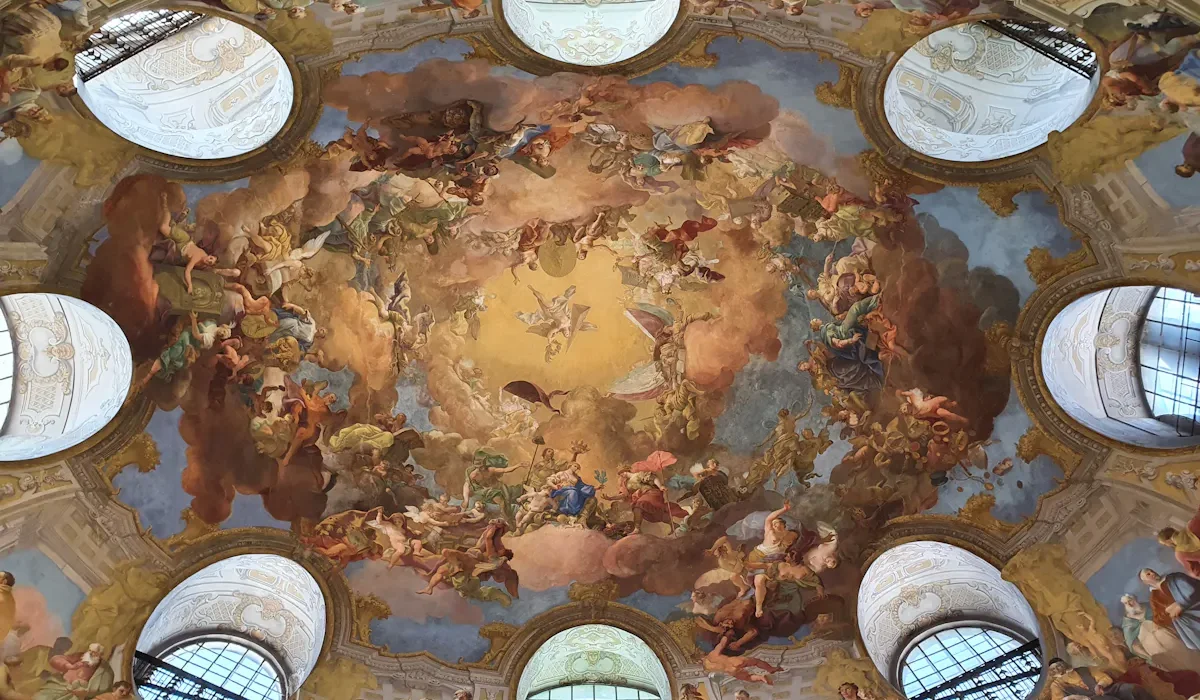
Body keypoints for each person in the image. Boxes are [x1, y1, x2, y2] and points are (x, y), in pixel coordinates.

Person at [1121, 594, 1200, 669]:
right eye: (1126, 603)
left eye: (1130, 601)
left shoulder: (1151, 606)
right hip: (1156, 651)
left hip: (1172, 641)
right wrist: (1148, 656)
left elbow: (1169, 617)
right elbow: (1132, 644)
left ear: (1135, 599)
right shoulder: (1128, 623)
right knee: (1176, 668)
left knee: (1188, 659)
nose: (1129, 604)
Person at [1141, 568, 1200, 649]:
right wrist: (1167, 611)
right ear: (1145, 582)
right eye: (1148, 574)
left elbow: (1196, 589)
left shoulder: (1175, 578)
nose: (1152, 573)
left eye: (1152, 571)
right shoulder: (1154, 597)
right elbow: (1158, 618)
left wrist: (1181, 605)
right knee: (1180, 619)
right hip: (1185, 621)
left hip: (1196, 607)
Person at [1045, 657, 1152, 700]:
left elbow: (1105, 678)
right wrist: (1072, 697)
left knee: (1132, 689)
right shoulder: (1057, 685)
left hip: (1107, 690)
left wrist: (1100, 685)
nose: (1058, 669)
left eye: (1059, 665)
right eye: (1055, 669)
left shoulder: (1083, 670)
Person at [1157, 507, 1200, 578]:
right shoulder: (1192, 524)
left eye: (1165, 544)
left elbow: (1196, 572)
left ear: (1168, 541)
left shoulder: (1180, 553)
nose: (1167, 545)